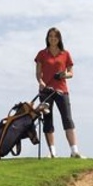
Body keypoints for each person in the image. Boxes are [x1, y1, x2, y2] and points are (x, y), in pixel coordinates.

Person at [34, 27, 85, 158]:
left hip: (62, 90)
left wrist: (63, 75)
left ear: (59, 39)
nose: (53, 38)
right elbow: (38, 73)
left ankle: (74, 151)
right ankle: (52, 152)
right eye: (50, 36)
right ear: (47, 38)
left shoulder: (65, 54)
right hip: (46, 91)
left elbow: (71, 73)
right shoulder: (42, 54)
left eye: (55, 36)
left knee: (67, 119)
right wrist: (41, 82)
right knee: (48, 120)